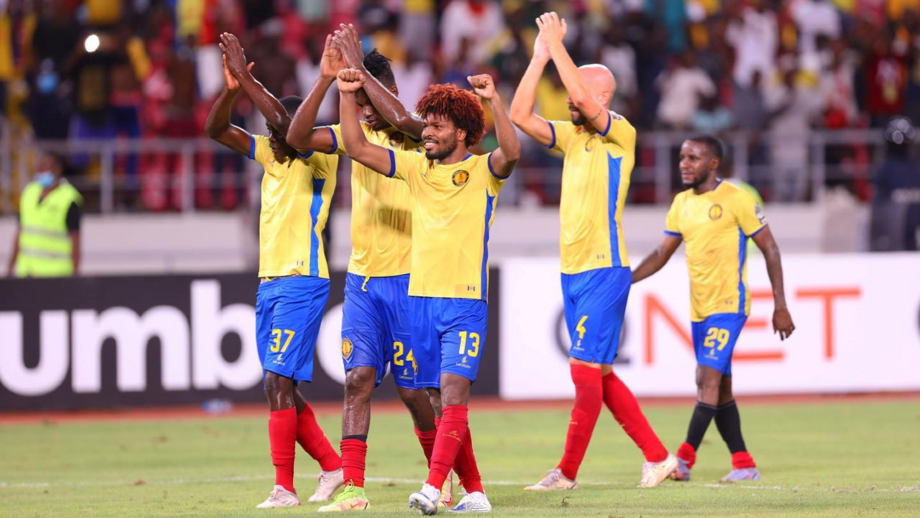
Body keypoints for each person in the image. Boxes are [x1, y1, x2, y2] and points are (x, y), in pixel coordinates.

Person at [335, 67, 520, 514]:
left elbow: (512, 152)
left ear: (461, 133)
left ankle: (434, 487)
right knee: (437, 397)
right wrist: (344, 94)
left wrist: (494, 101)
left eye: (437, 125)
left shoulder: (483, 171)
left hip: (465, 301)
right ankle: (475, 492)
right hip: (419, 301)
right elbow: (357, 147)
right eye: (427, 124)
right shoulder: (416, 168)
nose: (427, 132)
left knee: (452, 392)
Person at [284, 25, 450, 512]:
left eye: (368, 102)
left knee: (416, 393)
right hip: (363, 281)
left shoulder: (422, 137)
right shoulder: (354, 133)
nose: (365, 112)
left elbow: (400, 117)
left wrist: (358, 72)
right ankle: (353, 488)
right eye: (357, 104)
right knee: (357, 378)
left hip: (412, 279)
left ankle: (441, 477)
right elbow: (296, 137)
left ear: (389, 90)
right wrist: (327, 81)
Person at [509, 12, 677, 491]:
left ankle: (566, 473)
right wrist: (540, 56)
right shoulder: (573, 137)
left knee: (583, 372)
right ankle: (658, 457)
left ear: (602, 96)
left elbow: (580, 96)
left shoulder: (620, 132)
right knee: (598, 373)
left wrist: (558, 45)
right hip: (574, 269)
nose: (568, 97)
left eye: (577, 89)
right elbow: (519, 115)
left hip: (604, 267)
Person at [204, 33, 343, 508]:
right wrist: (230, 91)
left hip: (303, 278)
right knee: (280, 384)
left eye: (277, 128)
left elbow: (287, 123)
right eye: (268, 128)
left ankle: (285, 488)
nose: (272, 135)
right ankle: (332, 466)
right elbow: (216, 130)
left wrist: (248, 79)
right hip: (270, 282)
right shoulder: (269, 152)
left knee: (276, 383)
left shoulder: (319, 157)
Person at [631, 135, 796, 482]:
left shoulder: (737, 199)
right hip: (699, 311)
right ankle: (744, 463)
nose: (684, 164)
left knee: (705, 379)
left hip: (729, 305)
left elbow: (770, 249)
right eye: (682, 157)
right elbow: (661, 254)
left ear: (713, 163)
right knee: (720, 389)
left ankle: (683, 460)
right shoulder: (681, 203)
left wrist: (780, 305)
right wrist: (627, 280)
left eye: (693, 158)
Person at [7, 153, 83, 278]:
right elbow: (20, 232)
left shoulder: (69, 199)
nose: (40, 170)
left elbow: (75, 241)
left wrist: (75, 276)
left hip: (56, 274)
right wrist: (10, 267)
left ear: (57, 169)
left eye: (45, 166)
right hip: (27, 272)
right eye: (39, 166)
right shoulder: (29, 192)